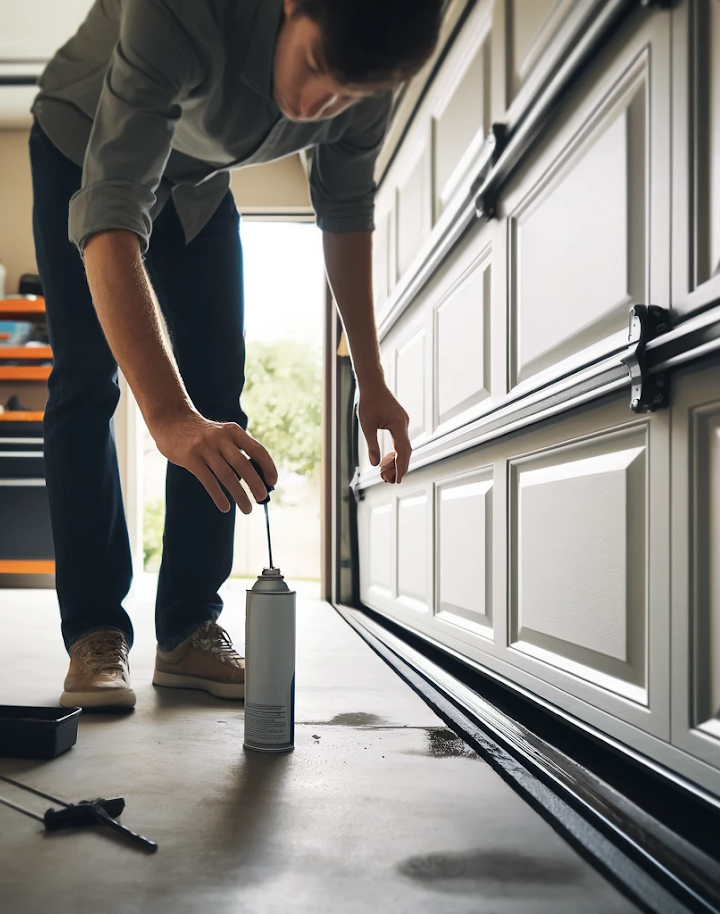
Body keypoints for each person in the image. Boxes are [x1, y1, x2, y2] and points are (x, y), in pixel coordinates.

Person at [31, 0, 440, 709]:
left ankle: (189, 629)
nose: (317, 106)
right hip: (83, 142)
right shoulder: (183, 11)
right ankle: (95, 633)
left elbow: (343, 213)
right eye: (314, 67)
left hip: (197, 181)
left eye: (344, 94)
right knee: (86, 383)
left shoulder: (366, 76)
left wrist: (370, 381)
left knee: (218, 390)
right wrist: (164, 415)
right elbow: (111, 210)